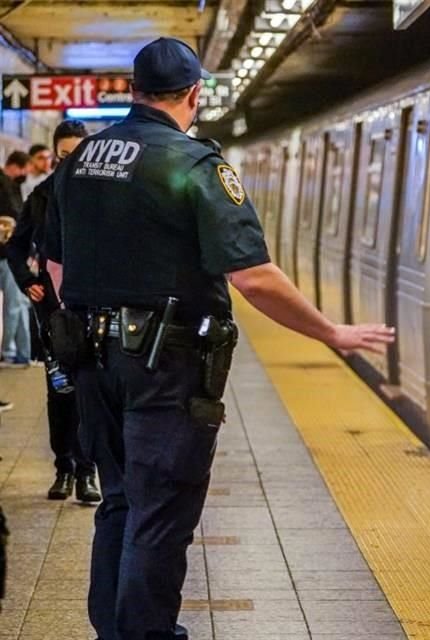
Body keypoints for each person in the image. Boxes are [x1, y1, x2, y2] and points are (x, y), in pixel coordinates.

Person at [45, 37, 394, 640]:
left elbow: (56, 267)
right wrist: (330, 331)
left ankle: (116, 630)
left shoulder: (80, 161)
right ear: (195, 95)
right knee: (159, 515)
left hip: (92, 360)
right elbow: (253, 278)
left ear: (132, 90)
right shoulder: (194, 165)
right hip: (164, 366)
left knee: (119, 504)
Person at [8, 120, 101, 503]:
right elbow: (16, 246)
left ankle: (88, 471)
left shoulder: (104, 195)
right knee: (60, 388)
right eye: (63, 156)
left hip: (94, 306)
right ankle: (64, 468)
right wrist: (26, 280)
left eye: (77, 155)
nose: (70, 163)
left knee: (91, 391)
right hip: (54, 311)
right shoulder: (42, 197)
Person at [0, 151, 32, 366]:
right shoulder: (3, 186)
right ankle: (10, 351)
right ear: (15, 166)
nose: (25, 174)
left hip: (12, 253)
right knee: (14, 305)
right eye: (24, 169)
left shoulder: (11, 185)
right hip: (6, 254)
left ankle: (22, 352)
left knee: (19, 303)